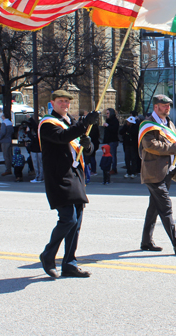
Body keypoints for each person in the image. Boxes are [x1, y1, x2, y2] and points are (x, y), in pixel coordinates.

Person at [38, 89, 99, 279]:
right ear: (53, 103)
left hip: (75, 175)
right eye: (61, 101)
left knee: (77, 221)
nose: (64, 104)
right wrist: (85, 123)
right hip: (59, 177)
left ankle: (70, 263)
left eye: (67, 101)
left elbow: (86, 150)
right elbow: (62, 137)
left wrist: (87, 145)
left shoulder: (70, 122)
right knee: (68, 219)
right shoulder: (47, 123)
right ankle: (48, 255)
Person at [139, 94, 176, 255]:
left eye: (169, 105)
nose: (167, 107)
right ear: (156, 107)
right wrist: (173, 148)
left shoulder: (168, 123)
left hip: (167, 171)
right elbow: (149, 145)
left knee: (154, 207)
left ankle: (146, 241)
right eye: (164, 105)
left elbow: (175, 144)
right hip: (153, 172)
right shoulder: (148, 124)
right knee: (165, 206)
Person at [103, 108, 119, 174]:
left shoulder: (115, 120)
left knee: (113, 155)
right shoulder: (108, 120)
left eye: (108, 113)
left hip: (113, 140)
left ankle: (114, 168)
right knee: (108, 155)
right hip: (108, 140)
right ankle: (108, 167)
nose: (106, 115)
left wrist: (108, 126)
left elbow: (114, 129)